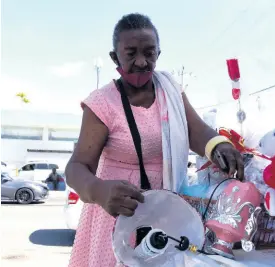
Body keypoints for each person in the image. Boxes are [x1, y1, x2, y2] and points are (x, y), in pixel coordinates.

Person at [65, 13, 244, 267]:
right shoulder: (101, 103)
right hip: (117, 213)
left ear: (158, 53)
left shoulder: (169, 88)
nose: (141, 61)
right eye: (131, 53)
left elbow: (196, 131)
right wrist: (99, 191)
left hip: (164, 210)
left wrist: (218, 145)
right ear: (115, 57)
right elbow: (75, 168)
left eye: (149, 53)